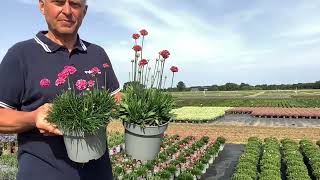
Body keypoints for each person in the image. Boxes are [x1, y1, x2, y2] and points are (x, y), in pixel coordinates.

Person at [0, 0, 121, 179]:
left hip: (99, 173)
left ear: (84, 11)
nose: (67, 11)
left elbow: (115, 99)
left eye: (75, 4)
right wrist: (33, 118)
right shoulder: (20, 54)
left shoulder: (97, 53)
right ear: (42, 6)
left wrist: (135, 109)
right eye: (58, 2)